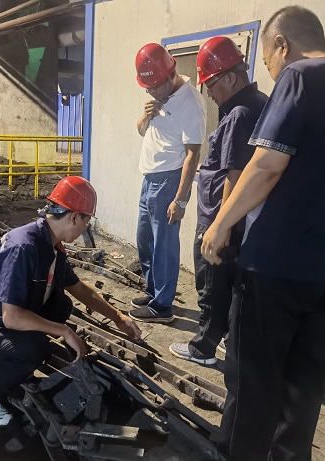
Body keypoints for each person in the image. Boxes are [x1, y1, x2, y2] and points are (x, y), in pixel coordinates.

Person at [201, 7, 325, 461]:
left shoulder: (300, 77)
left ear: (282, 44)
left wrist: (220, 225)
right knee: (303, 385)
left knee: (252, 382)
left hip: (273, 267)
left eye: (267, 59)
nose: (270, 70)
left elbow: (266, 166)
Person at [0, 177, 142, 428]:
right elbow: (12, 317)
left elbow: (78, 288)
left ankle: (8, 364)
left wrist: (118, 316)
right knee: (33, 347)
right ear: (75, 217)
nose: (85, 228)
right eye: (87, 221)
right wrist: (64, 332)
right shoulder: (22, 246)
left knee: (60, 306)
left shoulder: (51, 245)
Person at [168, 37, 268, 366]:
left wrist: (219, 225)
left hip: (218, 217)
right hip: (236, 218)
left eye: (210, 84)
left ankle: (203, 348)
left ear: (230, 78)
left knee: (211, 285)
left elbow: (234, 175)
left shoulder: (239, 114)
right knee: (227, 284)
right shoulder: (257, 104)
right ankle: (225, 337)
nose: (208, 92)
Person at [130, 43, 207, 323]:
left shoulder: (190, 103)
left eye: (154, 86)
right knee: (145, 240)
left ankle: (162, 306)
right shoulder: (158, 100)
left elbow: (193, 154)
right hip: (148, 178)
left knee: (164, 245)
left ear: (169, 75)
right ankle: (154, 292)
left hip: (168, 181)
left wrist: (180, 199)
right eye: (147, 88)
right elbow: (140, 130)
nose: (151, 92)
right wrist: (146, 115)